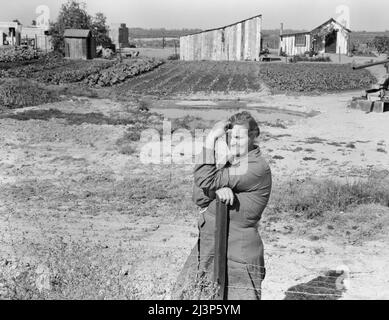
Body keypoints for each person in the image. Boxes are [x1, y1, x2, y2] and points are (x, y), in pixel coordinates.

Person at [172, 111, 272, 300]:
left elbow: (204, 178)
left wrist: (210, 139)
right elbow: (198, 196)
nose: (233, 142)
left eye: (238, 137)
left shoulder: (255, 167)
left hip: (237, 253)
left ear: (252, 136)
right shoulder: (232, 163)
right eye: (229, 137)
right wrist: (217, 190)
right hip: (211, 247)